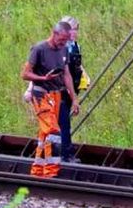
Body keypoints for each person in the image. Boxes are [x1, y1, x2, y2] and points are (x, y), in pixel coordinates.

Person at [23, 16, 89, 162]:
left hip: (60, 93)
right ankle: (51, 159)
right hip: (44, 94)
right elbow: (30, 72)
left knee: (62, 124)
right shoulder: (41, 49)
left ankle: (59, 156)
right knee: (52, 128)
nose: (75, 33)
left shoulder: (68, 48)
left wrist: (74, 98)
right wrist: (35, 85)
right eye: (73, 30)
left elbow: (68, 74)